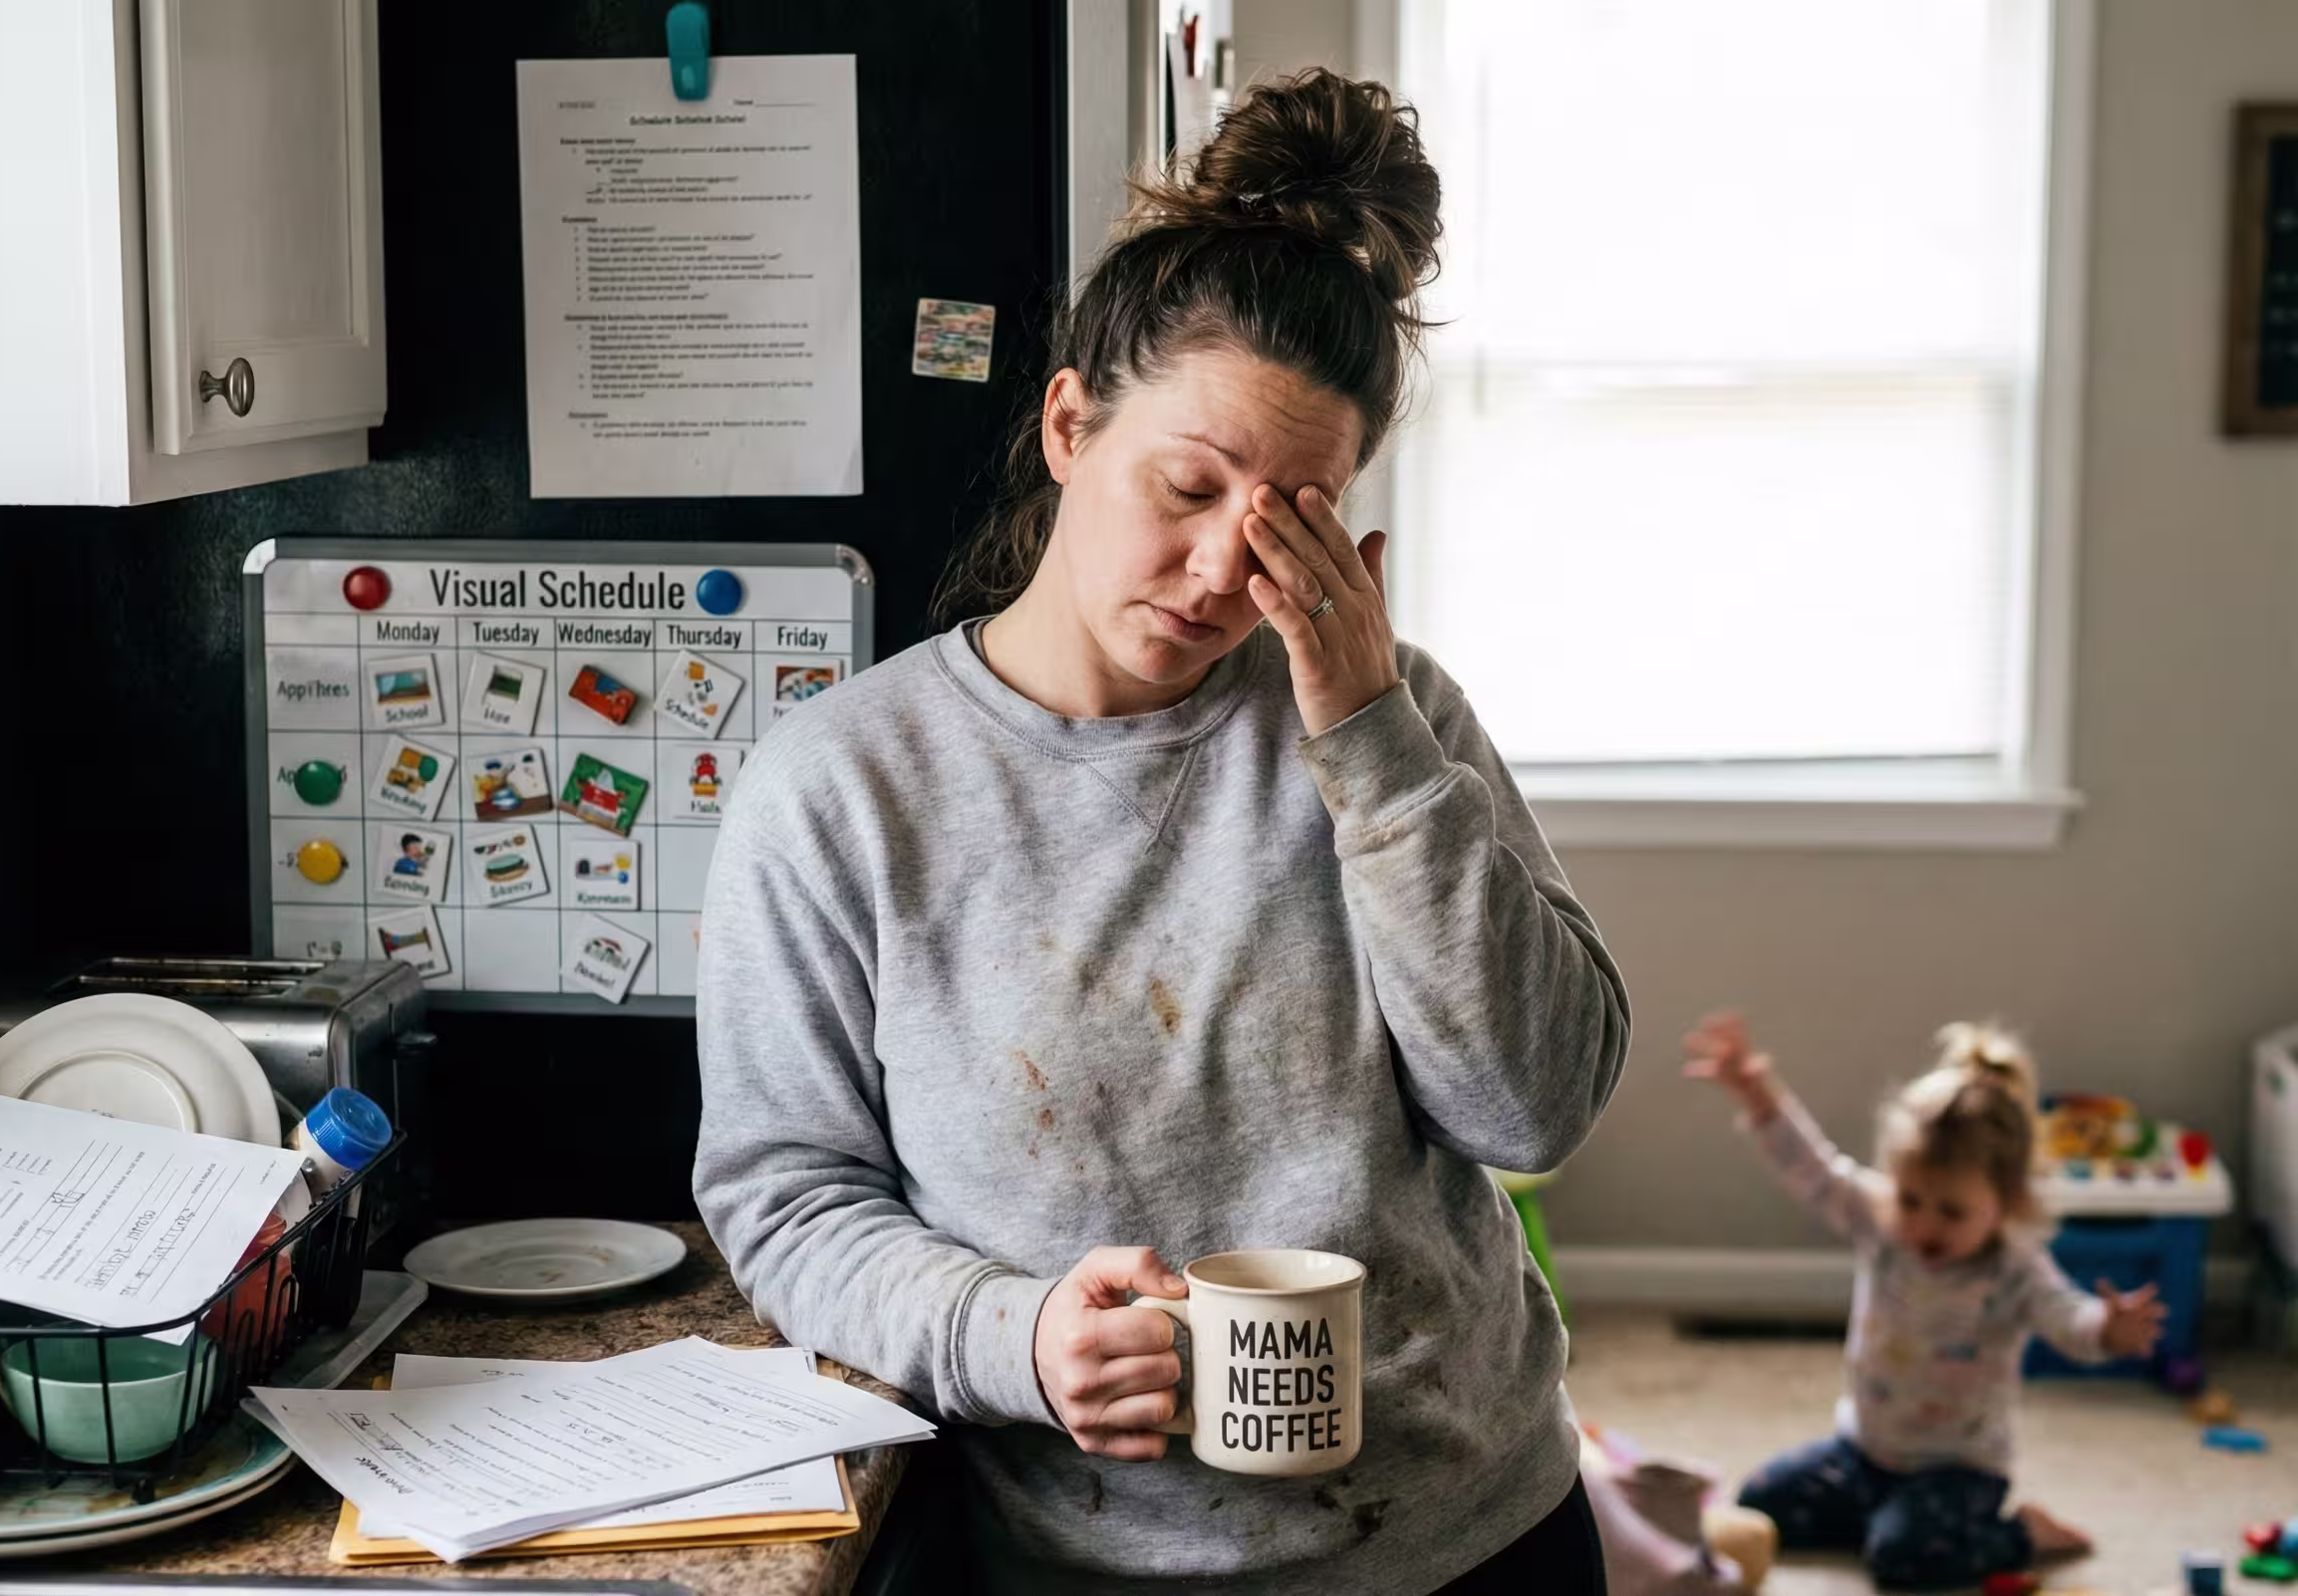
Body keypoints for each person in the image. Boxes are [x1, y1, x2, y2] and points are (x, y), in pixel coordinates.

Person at [696, 69, 1629, 1594]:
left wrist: (1368, 737)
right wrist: (1014, 1334)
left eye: (1289, 518)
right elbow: (781, 1193)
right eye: (1186, 487)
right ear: (1070, 423)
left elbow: (1533, 1113)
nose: (1215, 570)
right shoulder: (844, 789)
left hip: (1470, 1533)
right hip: (1086, 1559)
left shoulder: (1398, 723)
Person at [1681, 1013, 2168, 1591]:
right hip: (1862, 1451)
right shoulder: (1882, 1219)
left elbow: (2070, 1319)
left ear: (2007, 1200)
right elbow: (1814, 1167)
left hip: (1958, 1471)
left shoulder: (2012, 1268)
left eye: (1952, 1211)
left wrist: (2110, 1330)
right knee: (1760, 1503)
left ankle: (2023, 1536)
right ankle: (1886, 1522)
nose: (1925, 1226)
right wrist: (1759, 1094)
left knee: (1902, 1563)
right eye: (1912, 1199)